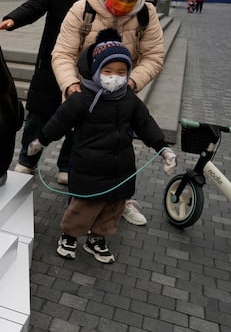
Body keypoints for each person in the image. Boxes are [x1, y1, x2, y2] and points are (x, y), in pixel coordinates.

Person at [27, 29, 177, 263]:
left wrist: (163, 149)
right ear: (96, 71)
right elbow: (59, 121)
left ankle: (97, 239)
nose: (114, 77)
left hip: (121, 168)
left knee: (113, 207)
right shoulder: (82, 98)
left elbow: (146, 124)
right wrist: (41, 140)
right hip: (89, 167)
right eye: (108, 71)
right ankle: (69, 236)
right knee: (83, 206)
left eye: (121, 72)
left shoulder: (129, 100)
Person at [51, 0, 165, 226]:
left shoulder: (146, 14)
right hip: (85, 96)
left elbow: (153, 57)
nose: (125, 3)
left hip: (120, 97)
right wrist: (71, 86)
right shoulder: (82, 9)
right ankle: (80, 204)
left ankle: (120, 201)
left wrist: (131, 84)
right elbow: (63, 53)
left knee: (120, 151)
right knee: (85, 152)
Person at [0, 0, 100, 178]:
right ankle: (26, 160)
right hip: (51, 64)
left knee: (78, 119)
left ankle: (66, 166)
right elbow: (34, 6)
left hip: (84, 67)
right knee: (37, 117)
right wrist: (13, 19)